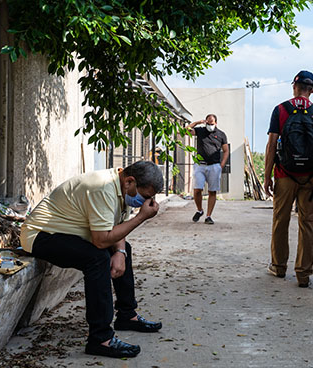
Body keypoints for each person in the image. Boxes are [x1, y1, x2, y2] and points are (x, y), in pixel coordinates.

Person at [20, 161, 164, 358]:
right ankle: (101, 339)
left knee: (123, 248)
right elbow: (100, 240)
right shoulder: (103, 188)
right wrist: (140, 218)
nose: (147, 202)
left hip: (70, 234)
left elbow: (117, 226)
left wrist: (120, 254)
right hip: (41, 235)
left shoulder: (120, 187)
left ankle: (127, 315)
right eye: (146, 196)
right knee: (97, 259)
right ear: (130, 181)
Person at [264, 70, 313, 288]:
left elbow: (272, 145)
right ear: (312, 90)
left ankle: (278, 267)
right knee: (308, 223)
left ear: (294, 87)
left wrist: (267, 176)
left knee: (280, 221)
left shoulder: (281, 110)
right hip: (311, 178)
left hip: (285, 175)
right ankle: (303, 274)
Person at [187, 114, 229, 225]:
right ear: (205, 122)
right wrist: (197, 122)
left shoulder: (221, 134)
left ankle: (208, 216)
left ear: (216, 123)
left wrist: (222, 165)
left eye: (212, 123)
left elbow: (226, 150)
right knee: (197, 190)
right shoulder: (200, 131)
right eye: (208, 123)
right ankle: (199, 210)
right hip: (200, 165)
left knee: (212, 191)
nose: (210, 125)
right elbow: (186, 130)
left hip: (214, 166)